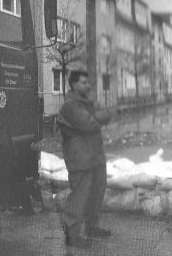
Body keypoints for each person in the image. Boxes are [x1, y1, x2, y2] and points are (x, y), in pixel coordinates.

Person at [57, 70, 114, 248]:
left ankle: (92, 227)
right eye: (83, 83)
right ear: (73, 84)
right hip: (80, 158)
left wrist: (97, 117)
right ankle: (72, 237)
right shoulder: (70, 105)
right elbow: (89, 124)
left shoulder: (87, 101)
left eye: (88, 82)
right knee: (79, 198)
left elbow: (107, 114)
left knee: (96, 193)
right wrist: (98, 118)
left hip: (95, 156)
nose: (88, 85)